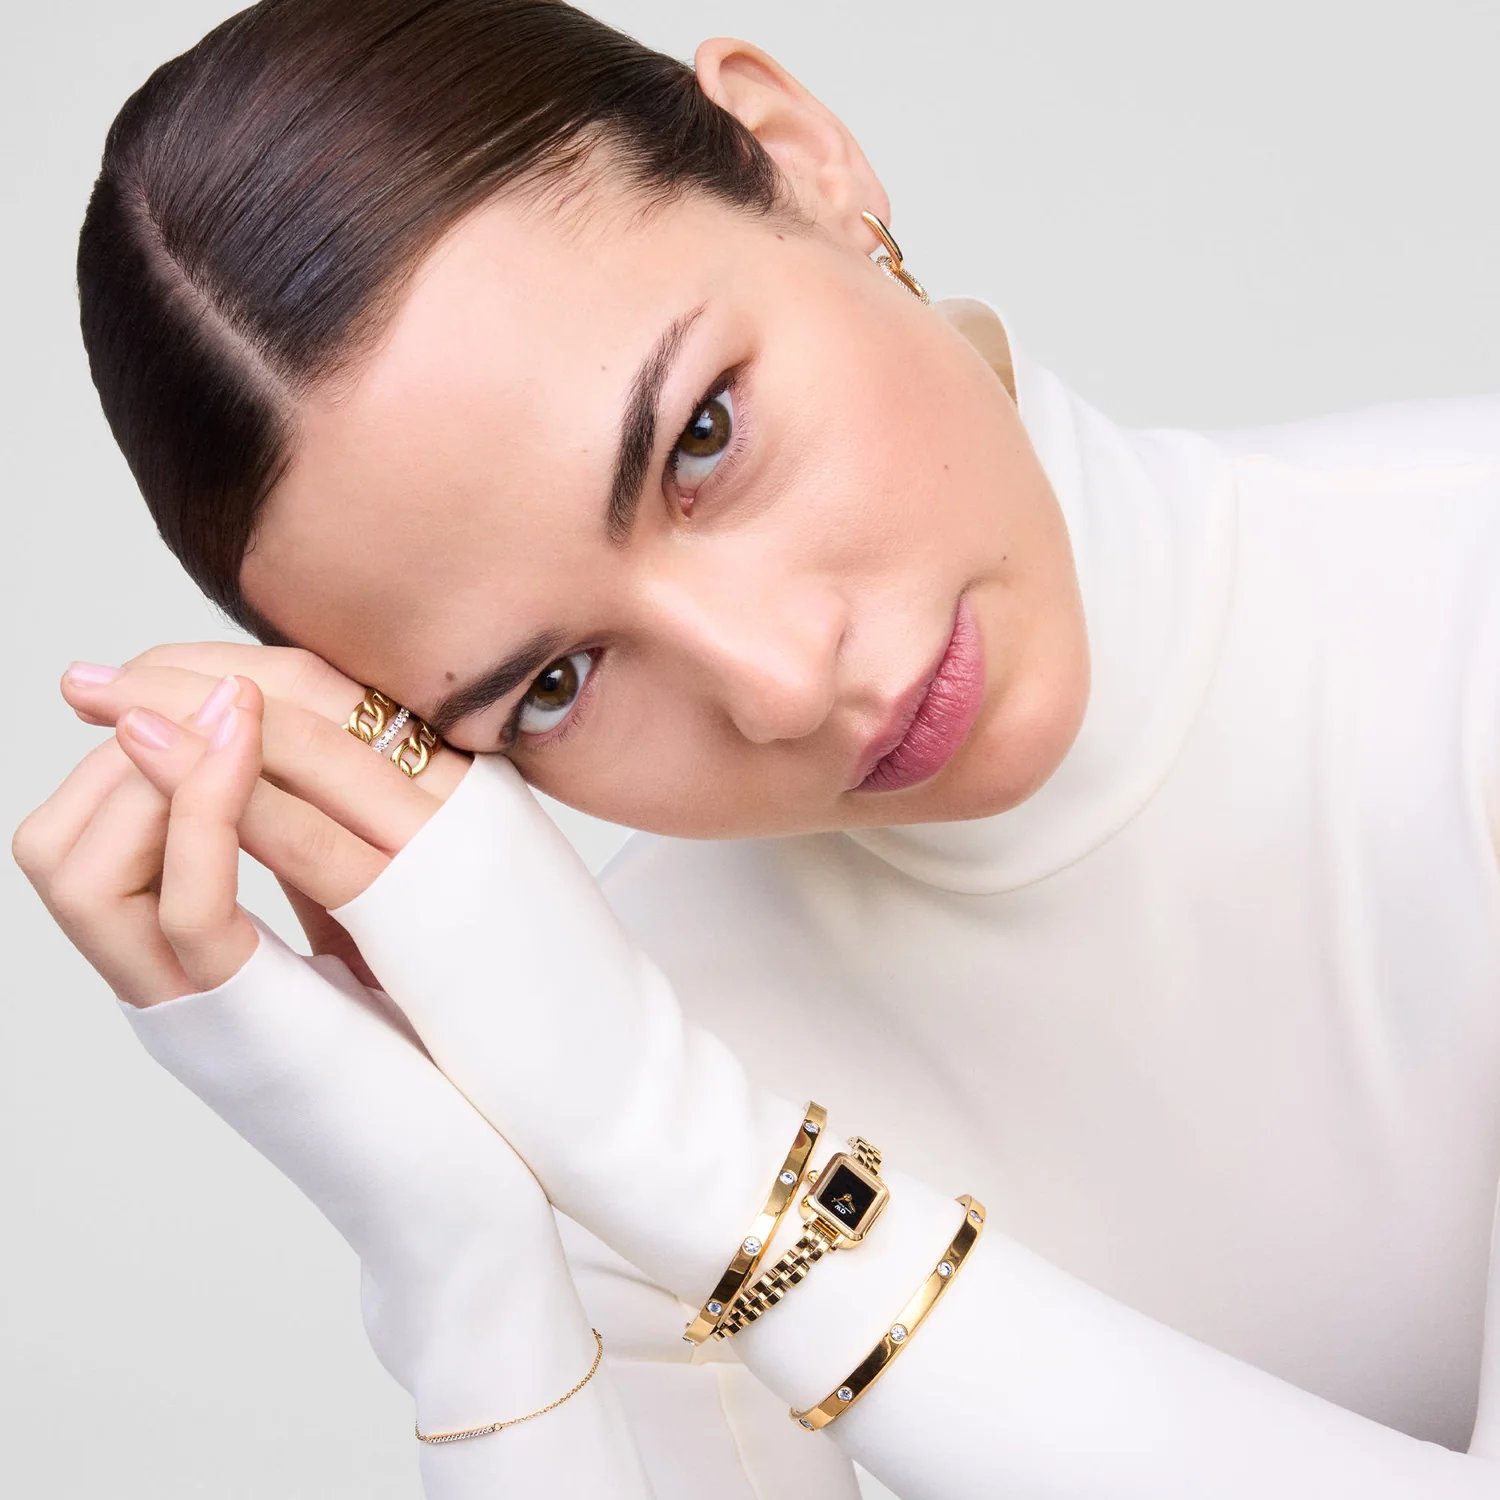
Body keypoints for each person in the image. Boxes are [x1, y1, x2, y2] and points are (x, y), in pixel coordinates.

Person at [12, 0, 1500, 1494]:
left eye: (704, 439)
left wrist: (706, 1168)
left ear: (800, 155)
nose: (780, 686)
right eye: (554, 685)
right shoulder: (614, 1061)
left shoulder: (646, 1105)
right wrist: (467, 1271)